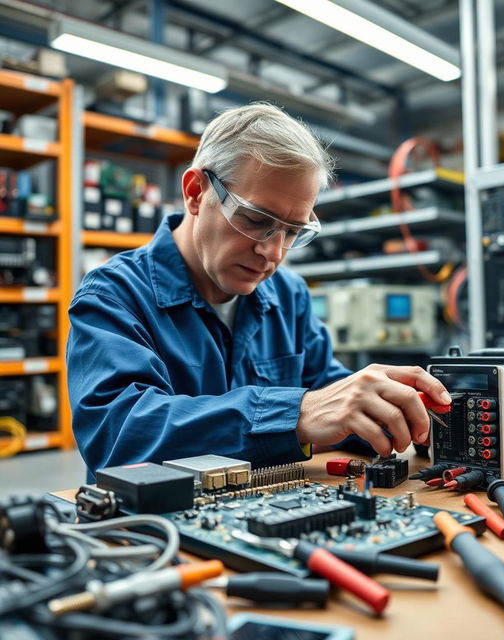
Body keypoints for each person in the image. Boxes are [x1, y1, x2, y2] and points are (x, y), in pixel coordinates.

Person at [67, 102, 451, 481]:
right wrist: (296, 414)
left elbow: (332, 396)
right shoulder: (113, 296)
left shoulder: (287, 295)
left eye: (293, 231)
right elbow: (117, 436)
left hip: (263, 519)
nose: (273, 251)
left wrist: (406, 413)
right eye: (255, 220)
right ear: (196, 192)